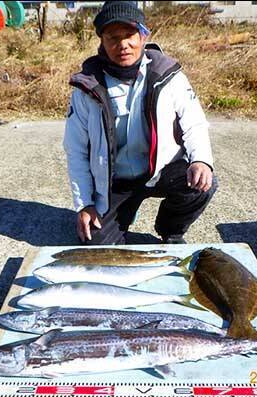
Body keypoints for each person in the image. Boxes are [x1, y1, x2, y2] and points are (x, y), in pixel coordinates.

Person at [63, 1, 217, 245]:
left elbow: (194, 122)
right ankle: (120, 218)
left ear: (144, 35)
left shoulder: (168, 74)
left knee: (202, 183)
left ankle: (171, 230)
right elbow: (76, 151)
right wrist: (85, 205)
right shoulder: (86, 87)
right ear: (101, 41)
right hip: (115, 182)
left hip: (161, 171)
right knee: (95, 244)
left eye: (130, 35)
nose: (123, 45)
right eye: (112, 37)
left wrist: (200, 160)